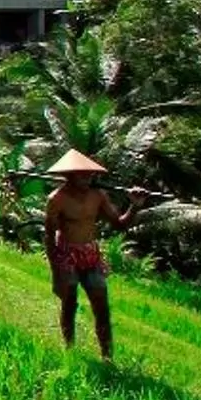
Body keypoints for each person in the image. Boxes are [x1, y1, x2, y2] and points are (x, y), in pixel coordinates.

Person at [43, 148, 137, 361]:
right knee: (70, 303)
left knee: (101, 305)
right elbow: (49, 236)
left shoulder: (98, 196)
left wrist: (134, 206)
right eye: (81, 174)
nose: (87, 178)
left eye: (89, 174)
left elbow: (119, 224)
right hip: (67, 254)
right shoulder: (57, 199)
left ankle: (107, 356)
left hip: (90, 254)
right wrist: (56, 270)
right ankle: (69, 348)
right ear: (69, 175)